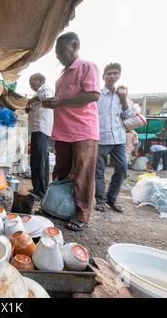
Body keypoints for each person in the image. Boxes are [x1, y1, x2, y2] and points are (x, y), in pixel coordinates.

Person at [42, 32, 101, 232]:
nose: (58, 56)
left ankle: (82, 215)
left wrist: (61, 102)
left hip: (83, 130)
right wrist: (52, 104)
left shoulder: (87, 67)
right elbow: (63, 102)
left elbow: (93, 95)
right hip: (62, 130)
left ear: (74, 45)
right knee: (61, 172)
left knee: (82, 175)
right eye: (57, 53)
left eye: (61, 51)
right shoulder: (62, 75)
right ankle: (55, 207)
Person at [95, 63, 135, 214]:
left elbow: (128, 116)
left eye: (115, 73)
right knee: (99, 172)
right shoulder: (97, 96)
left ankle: (111, 198)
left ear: (119, 76)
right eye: (109, 73)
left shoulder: (121, 95)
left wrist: (124, 98)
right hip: (101, 138)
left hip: (118, 139)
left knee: (122, 168)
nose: (112, 76)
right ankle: (100, 201)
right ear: (104, 76)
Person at [26, 73, 54, 199]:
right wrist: (29, 108)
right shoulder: (38, 92)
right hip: (38, 130)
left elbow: (46, 98)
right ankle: (41, 188)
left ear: (40, 80)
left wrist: (32, 100)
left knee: (38, 161)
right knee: (42, 160)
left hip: (41, 129)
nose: (30, 84)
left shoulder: (46, 88)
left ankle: (40, 191)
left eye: (32, 81)